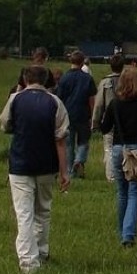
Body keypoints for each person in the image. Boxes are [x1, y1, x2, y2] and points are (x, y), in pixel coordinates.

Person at [0, 65, 70, 274]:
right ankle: (41, 250)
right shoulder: (55, 102)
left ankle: (28, 262)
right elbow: (61, 140)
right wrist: (64, 172)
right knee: (43, 210)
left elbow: (5, 125)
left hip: (20, 163)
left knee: (24, 214)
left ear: (26, 79)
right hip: (47, 165)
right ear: (46, 79)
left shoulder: (15, 99)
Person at [99, 67, 137, 248]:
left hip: (118, 150)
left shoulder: (115, 104)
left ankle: (122, 230)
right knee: (134, 193)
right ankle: (128, 234)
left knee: (121, 192)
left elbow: (104, 128)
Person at [56, 50, 97, 178]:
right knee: (84, 141)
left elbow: (59, 99)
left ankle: (70, 171)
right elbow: (91, 99)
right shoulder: (87, 78)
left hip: (68, 115)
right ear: (82, 62)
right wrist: (92, 115)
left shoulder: (64, 78)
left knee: (68, 144)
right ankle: (79, 160)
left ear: (71, 61)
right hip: (83, 114)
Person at [92, 54, 125, 183]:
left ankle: (111, 176)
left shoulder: (105, 82)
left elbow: (99, 103)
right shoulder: (127, 80)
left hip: (109, 118)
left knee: (109, 147)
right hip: (126, 118)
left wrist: (95, 121)